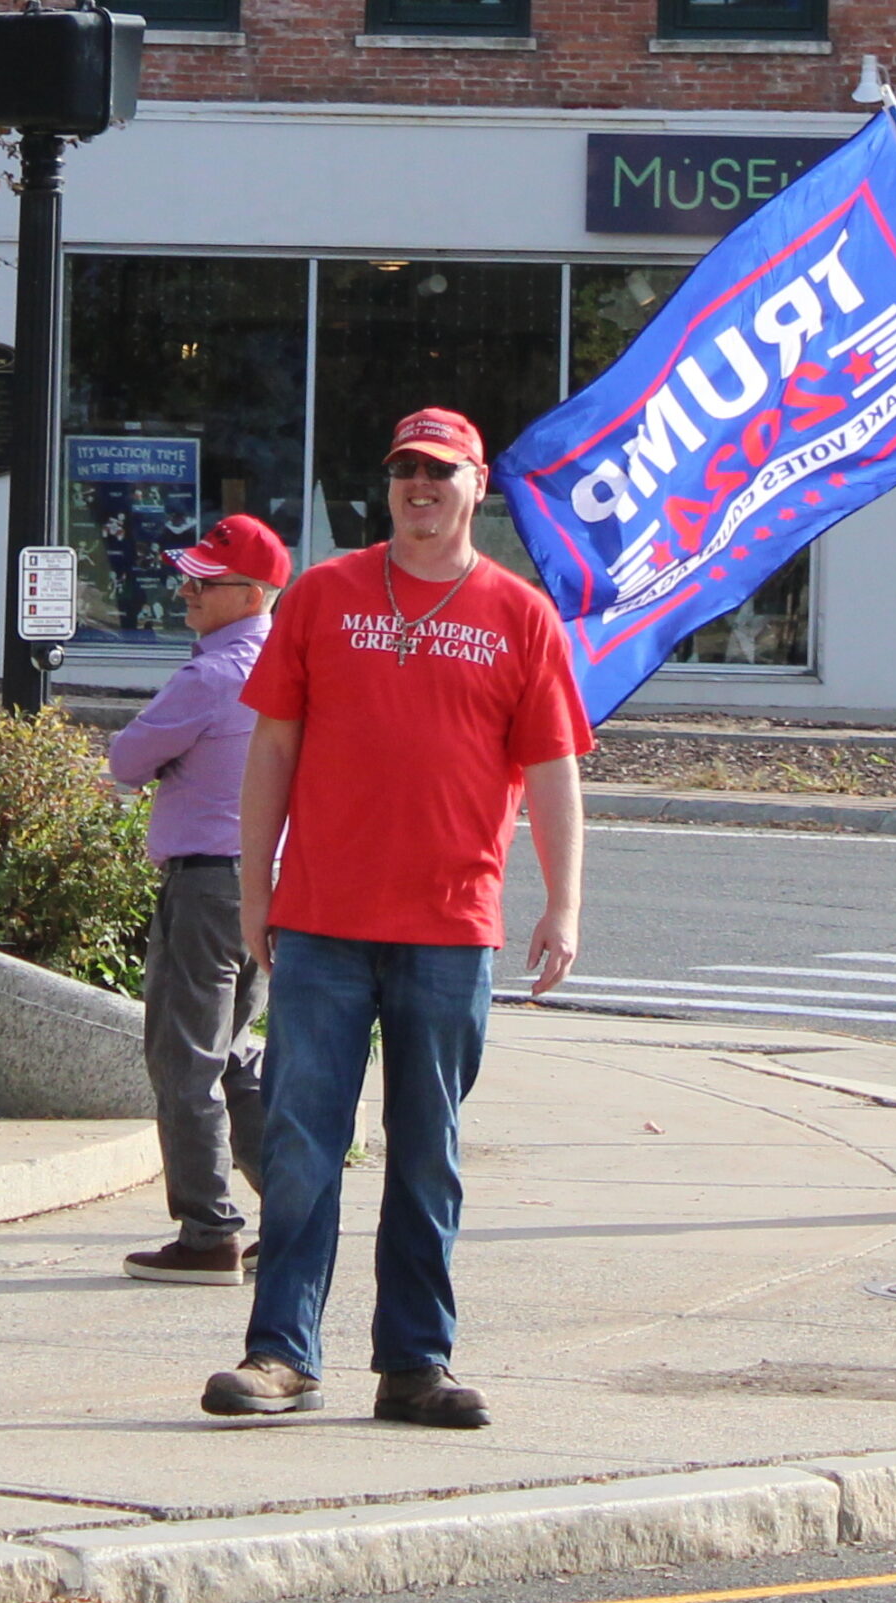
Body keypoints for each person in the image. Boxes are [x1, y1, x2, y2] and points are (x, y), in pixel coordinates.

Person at [202, 407, 589, 1429]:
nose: (419, 484)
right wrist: (255, 892)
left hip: (451, 925)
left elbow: (552, 772)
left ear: (475, 486)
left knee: (427, 1151)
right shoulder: (325, 595)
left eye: (439, 470)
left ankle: (414, 1361)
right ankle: (280, 1352)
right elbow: (271, 753)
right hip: (324, 918)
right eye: (405, 468)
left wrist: (563, 901)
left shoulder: (518, 615)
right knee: (300, 1143)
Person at [106, 515, 287, 1284]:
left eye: (203, 582)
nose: (186, 591)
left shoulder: (213, 675)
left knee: (184, 1055)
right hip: (267, 881)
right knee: (236, 1050)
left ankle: (209, 1229)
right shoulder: (287, 667)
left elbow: (127, 755)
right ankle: (290, 1202)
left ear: (248, 595)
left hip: (207, 880)